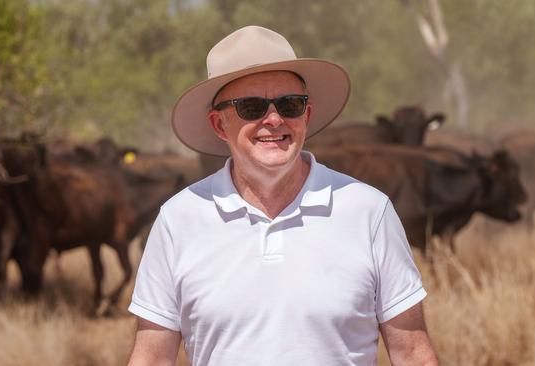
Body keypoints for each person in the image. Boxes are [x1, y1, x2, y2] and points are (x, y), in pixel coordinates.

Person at [127, 25, 438, 366]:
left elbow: (412, 355)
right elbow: (152, 359)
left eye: (289, 104)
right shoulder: (178, 219)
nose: (274, 119)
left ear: (306, 115)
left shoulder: (369, 211)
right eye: (251, 107)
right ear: (219, 125)